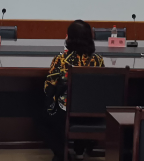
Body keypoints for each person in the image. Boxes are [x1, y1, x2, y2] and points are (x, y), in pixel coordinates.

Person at [44, 20, 104, 161]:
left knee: (42, 116)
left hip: (66, 113)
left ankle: (61, 153)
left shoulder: (60, 60)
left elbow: (48, 88)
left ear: (68, 38)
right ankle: (80, 149)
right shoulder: (98, 60)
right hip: (93, 113)